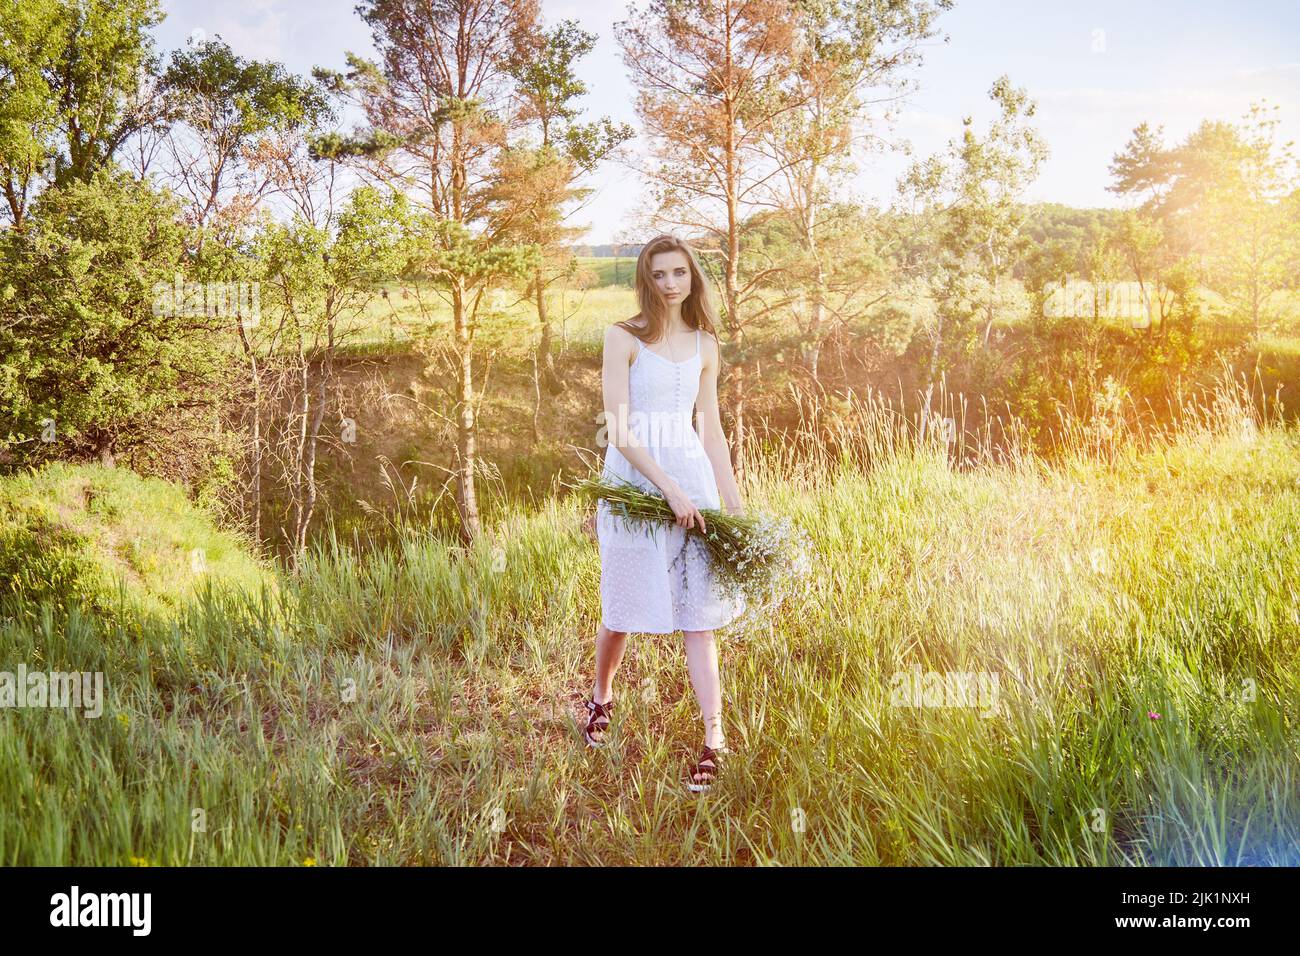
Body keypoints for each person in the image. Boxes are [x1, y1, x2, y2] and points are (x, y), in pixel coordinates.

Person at [583, 233, 745, 794]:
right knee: (622, 605)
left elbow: (713, 429)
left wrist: (732, 502)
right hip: (635, 479)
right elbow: (619, 429)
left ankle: (713, 739)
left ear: (692, 277)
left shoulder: (705, 344)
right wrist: (667, 488)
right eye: (659, 275)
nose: (670, 284)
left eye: (679, 273)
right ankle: (601, 696)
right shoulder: (622, 338)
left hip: (690, 477)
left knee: (698, 614)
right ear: (645, 280)